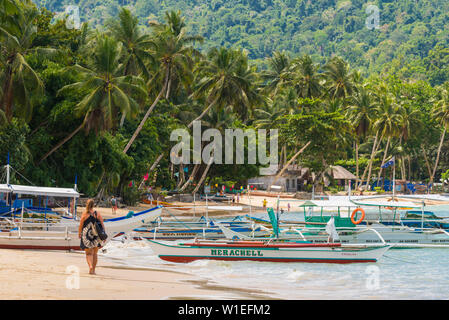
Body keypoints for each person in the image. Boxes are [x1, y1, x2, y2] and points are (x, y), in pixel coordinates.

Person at [79, 199, 105, 275]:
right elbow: (102, 225)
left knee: (88, 254)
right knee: (95, 254)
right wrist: (103, 235)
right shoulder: (97, 214)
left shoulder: (84, 214)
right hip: (97, 235)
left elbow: (81, 225)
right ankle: (93, 270)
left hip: (87, 235)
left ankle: (90, 266)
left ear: (87, 204)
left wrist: (79, 233)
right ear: (93, 205)